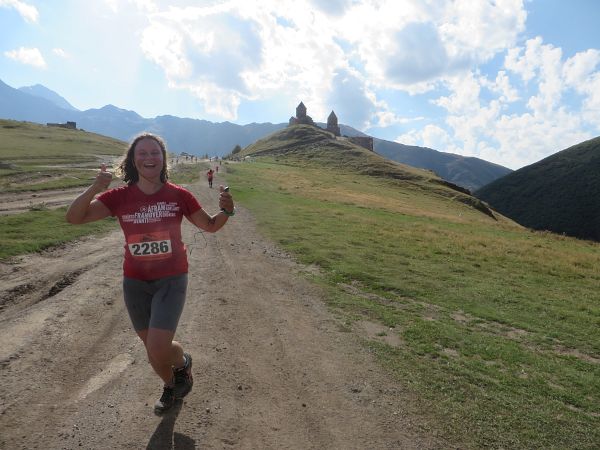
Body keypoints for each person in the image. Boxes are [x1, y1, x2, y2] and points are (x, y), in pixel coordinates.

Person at [65, 133, 235, 414]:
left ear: (163, 158)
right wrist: (94, 187)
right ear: (133, 160)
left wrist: (227, 212)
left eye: (154, 153)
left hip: (172, 279)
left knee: (158, 347)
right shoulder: (118, 197)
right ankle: (175, 379)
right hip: (135, 282)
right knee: (153, 347)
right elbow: (75, 217)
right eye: (142, 153)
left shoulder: (179, 195)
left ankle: (178, 372)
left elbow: (210, 225)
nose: (148, 158)